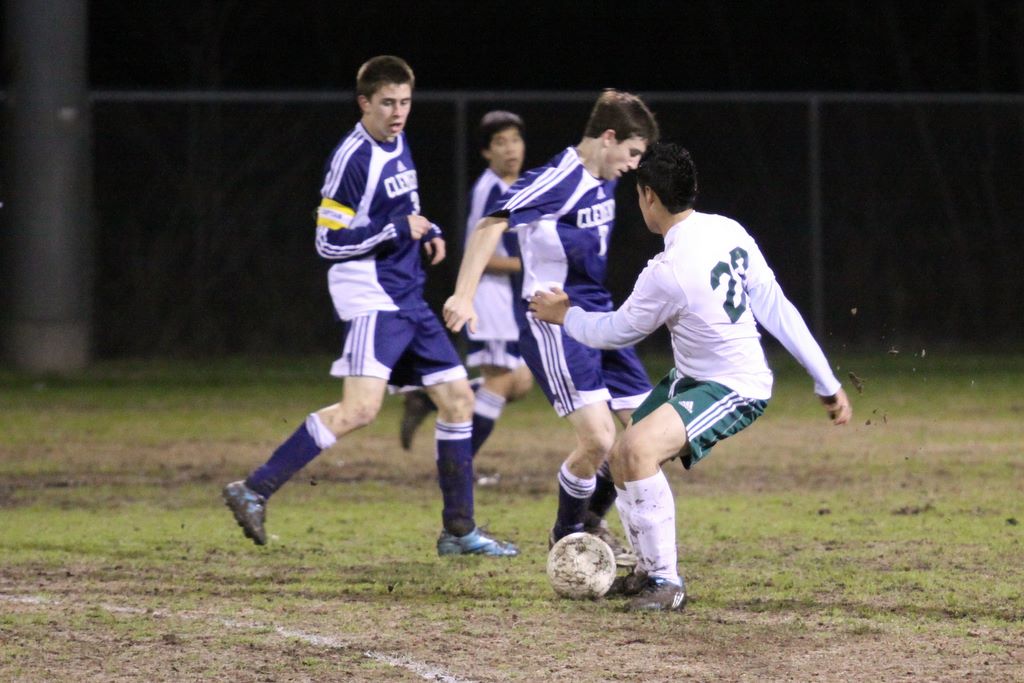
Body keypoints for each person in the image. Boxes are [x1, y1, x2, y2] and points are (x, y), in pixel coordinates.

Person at [528, 141, 853, 611]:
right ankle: (647, 572)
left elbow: (615, 332)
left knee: (638, 451)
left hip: (734, 386)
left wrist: (565, 315)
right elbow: (777, 309)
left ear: (648, 196)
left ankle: (666, 581)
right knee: (621, 454)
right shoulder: (728, 231)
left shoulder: (668, 270)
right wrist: (826, 381)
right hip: (692, 379)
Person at [222, 55, 518, 557]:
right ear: (364, 103)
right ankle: (254, 488)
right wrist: (396, 229)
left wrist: (426, 229)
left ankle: (459, 531)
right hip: (371, 295)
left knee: (458, 400)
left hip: (407, 294)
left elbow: (403, 208)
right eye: (387, 103)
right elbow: (327, 241)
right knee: (360, 409)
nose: (398, 112)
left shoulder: (397, 140)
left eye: (405, 102)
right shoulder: (352, 159)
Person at [443, 90, 660, 565]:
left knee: (649, 433)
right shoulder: (558, 179)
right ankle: (567, 540)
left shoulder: (604, 175)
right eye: (632, 153)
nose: (633, 165)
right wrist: (463, 294)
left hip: (600, 318)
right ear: (608, 138)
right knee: (599, 440)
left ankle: (592, 520)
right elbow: (490, 223)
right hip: (554, 321)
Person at [399, 111, 534, 454]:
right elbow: (479, 254)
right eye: (500, 142)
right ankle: (459, 463)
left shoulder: (514, 186)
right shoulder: (491, 190)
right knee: (502, 381)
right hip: (491, 298)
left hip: (509, 299)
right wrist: (527, 264)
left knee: (520, 381)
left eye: (515, 140)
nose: (510, 149)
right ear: (487, 152)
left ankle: (427, 399)